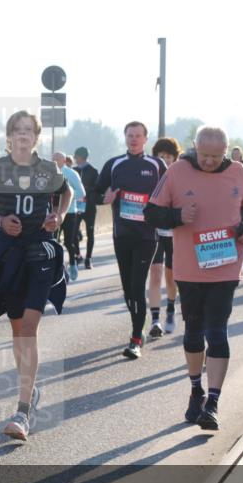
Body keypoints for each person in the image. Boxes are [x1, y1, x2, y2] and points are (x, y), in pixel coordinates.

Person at [145, 126, 243, 430]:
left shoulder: (237, 172)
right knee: (194, 332)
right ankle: (196, 390)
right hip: (189, 268)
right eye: (204, 155)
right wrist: (177, 216)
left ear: (226, 152)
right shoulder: (177, 171)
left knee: (217, 332)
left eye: (216, 156)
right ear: (194, 148)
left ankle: (213, 402)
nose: (209, 161)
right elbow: (151, 213)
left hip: (226, 266)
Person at [0, 110, 70, 440]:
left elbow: (67, 193)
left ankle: (22, 410)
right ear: (9, 136)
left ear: (36, 137)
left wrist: (58, 214)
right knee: (18, 330)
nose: (22, 134)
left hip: (40, 252)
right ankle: (30, 391)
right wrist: (0, 221)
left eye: (29, 130)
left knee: (29, 328)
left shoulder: (48, 169)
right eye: (17, 129)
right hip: (9, 254)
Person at [95, 121, 167, 358]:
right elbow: (95, 192)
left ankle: (135, 339)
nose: (133, 139)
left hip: (147, 235)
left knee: (137, 285)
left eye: (138, 135)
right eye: (130, 135)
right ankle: (140, 326)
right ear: (125, 138)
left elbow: (171, 193)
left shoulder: (157, 165)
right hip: (122, 234)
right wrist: (104, 198)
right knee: (128, 289)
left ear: (145, 139)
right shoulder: (114, 164)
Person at [149, 138, 181, 335]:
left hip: (174, 234)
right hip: (155, 233)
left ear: (174, 158)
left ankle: (170, 308)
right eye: (161, 156)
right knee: (155, 274)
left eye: (168, 157)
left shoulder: (181, 176)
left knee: (171, 277)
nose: (165, 160)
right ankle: (154, 320)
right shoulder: (150, 177)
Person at [54, 151, 85, 282]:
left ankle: (73, 263)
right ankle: (57, 268)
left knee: (68, 241)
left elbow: (81, 192)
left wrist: (67, 197)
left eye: (57, 159)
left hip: (70, 212)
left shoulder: (71, 174)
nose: (54, 162)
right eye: (53, 159)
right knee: (53, 241)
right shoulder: (49, 173)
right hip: (54, 213)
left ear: (64, 161)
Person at [73, 147, 100, 269]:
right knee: (73, 232)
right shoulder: (73, 170)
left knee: (90, 233)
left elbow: (98, 188)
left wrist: (85, 191)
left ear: (81, 157)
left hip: (89, 207)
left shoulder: (93, 171)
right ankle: (78, 255)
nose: (75, 158)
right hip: (76, 206)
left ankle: (88, 258)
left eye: (76, 156)